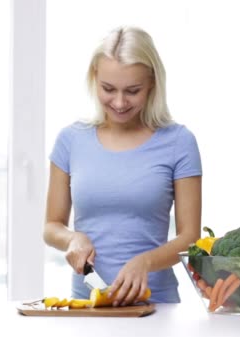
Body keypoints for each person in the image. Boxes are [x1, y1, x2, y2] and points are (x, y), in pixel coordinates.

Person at [43, 26, 202, 305]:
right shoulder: (70, 140)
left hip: (157, 305)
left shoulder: (179, 142)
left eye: (132, 91)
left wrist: (146, 262)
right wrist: (72, 239)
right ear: (94, 78)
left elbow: (190, 238)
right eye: (108, 89)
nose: (119, 102)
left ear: (152, 82)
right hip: (88, 304)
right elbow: (51, 226)